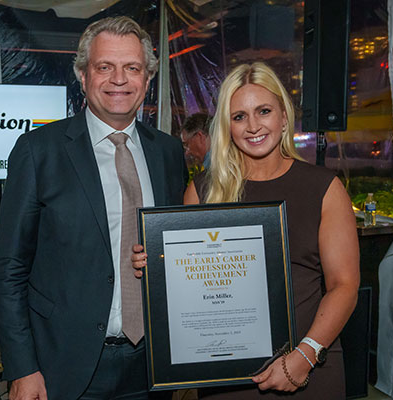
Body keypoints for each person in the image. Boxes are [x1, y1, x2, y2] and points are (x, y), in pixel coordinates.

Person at [132, 62, 359, 399]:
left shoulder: (324, 188)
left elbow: (344, 285)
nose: (253, 126)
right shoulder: (202, 190)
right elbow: (186, 285)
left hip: (308, 368)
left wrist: (304, 355)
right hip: (227, 374)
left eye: (263, 111)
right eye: (239, 116)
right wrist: (156, 264)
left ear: (283, 117)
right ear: (227, 126)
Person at [0, 16, 188, 400]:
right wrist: (22, 368)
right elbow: (9, 270)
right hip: (65, 365)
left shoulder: (167, 152)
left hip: (152, 363)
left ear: (147, 80)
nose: (119, 79)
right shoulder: (38, 151)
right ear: (82, 75)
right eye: (105, 67)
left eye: (132, 68)